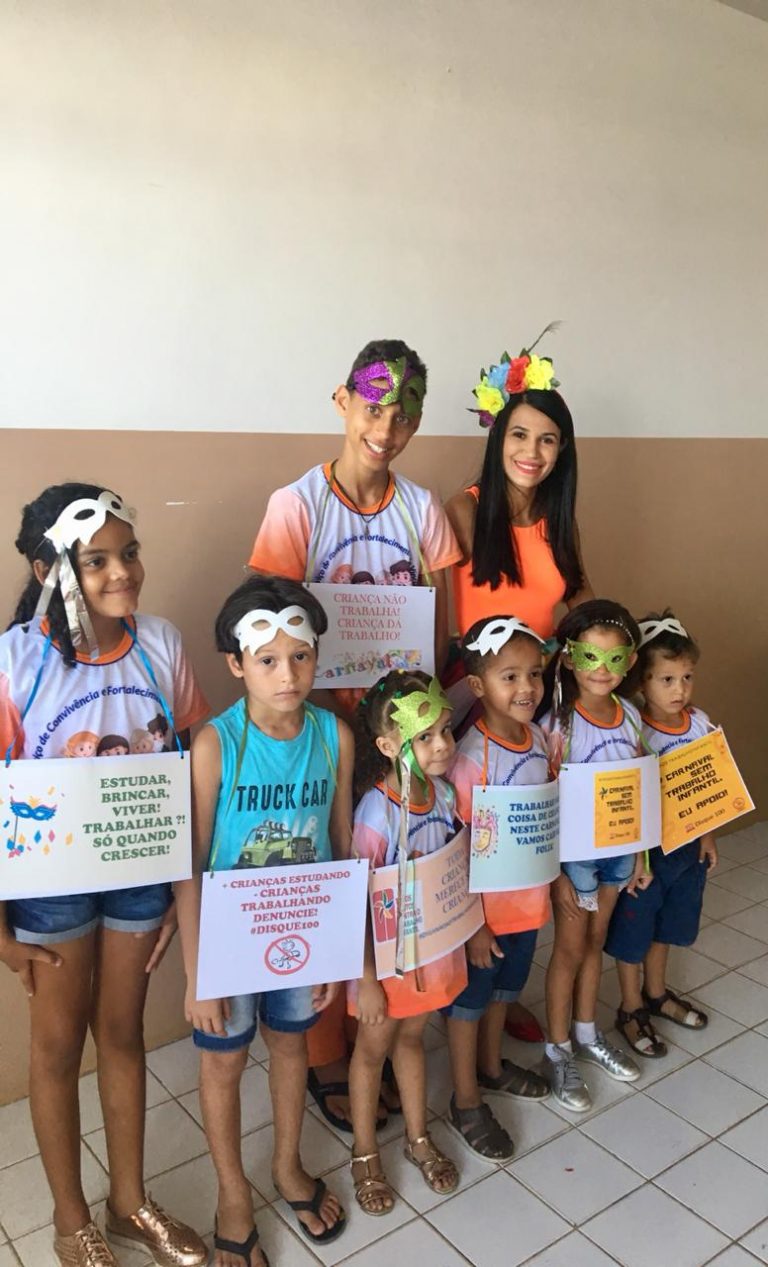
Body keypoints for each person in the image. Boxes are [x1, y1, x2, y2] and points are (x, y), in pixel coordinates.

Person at [249, 339, 461, 1130]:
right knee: (328, 881)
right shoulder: (297, 505)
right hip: (321, 729)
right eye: (374, 408)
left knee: (388, 878)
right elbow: (269, 625)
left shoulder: (422, 510)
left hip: (397, 735)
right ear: (342, 401)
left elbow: (438, 629)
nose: (387, 428)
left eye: (404, 415)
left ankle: (390, 1022)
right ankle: (326, 1054)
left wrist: (426, 728)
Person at [0, 482, 208, 1267]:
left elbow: (190, 761)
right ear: (49, 569)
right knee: (57, 1046)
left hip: (139, 871)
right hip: (50, 884)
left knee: (121, 1033)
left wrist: (182, 891)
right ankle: (70, 1217)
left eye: (129, 552)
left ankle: (129, 1202)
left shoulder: (160, 643)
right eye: (97, 560)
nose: (123, 571)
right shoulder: (16, 661)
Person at [175, 576, 352, 1265]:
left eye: (301, 657)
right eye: (268, 660)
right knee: (222, 1065)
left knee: (289, 1046)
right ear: (236, 663)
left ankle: (286, 1165)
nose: (288, 675)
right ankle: (232, 1195)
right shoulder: (216, 745)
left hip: (302, 930)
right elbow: (190, 863)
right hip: (227, 940)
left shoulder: (333, 736)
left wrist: (335, 950)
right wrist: (199, 973)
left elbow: (339, 844)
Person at [445, 328, 593, 1046]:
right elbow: (433, 611)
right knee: (471, 852)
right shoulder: (464, 510)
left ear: (563, 452)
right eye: (520, 435)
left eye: (548, 440)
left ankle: (503, 994)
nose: (532, 452)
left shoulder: (560, 524)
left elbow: (582, 611)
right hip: (472, 704)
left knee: (528, 852)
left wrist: (609, 660)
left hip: (537, 705)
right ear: (497, 436)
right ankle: (462, 999)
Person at [347, 670, 462, 1215]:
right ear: (389, 747)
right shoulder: (375, 814)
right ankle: (365, 1152)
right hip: (383, 963)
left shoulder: (443, 795)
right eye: (425, 737)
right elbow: (354, 902)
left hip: (430, 954)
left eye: (446, 730)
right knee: (372, 1052)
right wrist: (367, 979)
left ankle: (417, 1137)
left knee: (412, 1039)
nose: (442, 745)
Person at [444, 616, 552, 1161]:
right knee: (470, 1004)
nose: (527, 687)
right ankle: (465, 1098)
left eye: (534, 673)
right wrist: (475, 925)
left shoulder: (541, 740)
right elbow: (455, 850)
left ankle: (490, 1067)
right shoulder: (470, 759)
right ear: (478, 685)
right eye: (510, 676)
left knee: (505, 993)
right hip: (483, 917)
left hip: (528, 905)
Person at [540, 599, 651, 1111]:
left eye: (614, 658)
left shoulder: (632, 716)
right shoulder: (558, 725)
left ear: (631, 661)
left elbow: (640, 788)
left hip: (618, 853)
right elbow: (544, 801)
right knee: (569, 948)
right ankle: (558, 1048)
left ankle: (587, 1032)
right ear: (568, 658)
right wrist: (555, 874)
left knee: (596, 939)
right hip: (574, 860)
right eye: (590, 656)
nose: (601, 670)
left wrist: (642, 857)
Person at [605, 612, 717, 1056]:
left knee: (668, 925)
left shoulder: (700, 722)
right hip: (646, 855)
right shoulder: (632, 729)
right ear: (642, 681)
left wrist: (707, 835)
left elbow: (709, 787)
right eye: (667, 679)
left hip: (686, 851)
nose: (679, 689)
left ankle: (656, 992)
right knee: (634, 931)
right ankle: (630, 1006)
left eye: (687, 677)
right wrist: (634, 855)